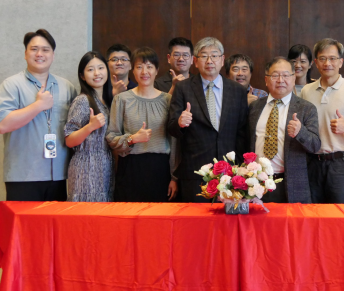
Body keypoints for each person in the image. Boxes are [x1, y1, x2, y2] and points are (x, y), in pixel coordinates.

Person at [0, 29, 76, 201]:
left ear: (53, 55)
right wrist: (38, 106)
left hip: (58, 175)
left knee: (54, 220)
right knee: (24, 220)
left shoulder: (66, 87)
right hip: (23, 176)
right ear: (25, 54)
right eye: (34, 49)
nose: (39, 54)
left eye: (45, 50)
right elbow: (2, 125)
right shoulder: (11, 85)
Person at [167, 37, 249, 202]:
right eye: (204, 56)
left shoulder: (237, 91)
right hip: (194, 172)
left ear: (222, 60)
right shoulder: (183, 88)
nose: (209, 61)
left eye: (214, 56)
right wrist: (180, 123)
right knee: (196, 218)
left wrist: (240, 169)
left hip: (229, 173)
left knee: (226, 218)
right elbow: (171, 128)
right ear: (195, 61)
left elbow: (242, 133)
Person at [106, 47, 178, 202]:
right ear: (133, 70)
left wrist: (174, 177)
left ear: (157, 70)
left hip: (160, 168)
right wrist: (132, 139)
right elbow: (111, 137)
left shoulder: (168, 100)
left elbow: (174, 142)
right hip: (130, 168)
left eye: (149, 67)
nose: (144, 72)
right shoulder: (121, 99)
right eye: (139, 67)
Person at [300, 39, 344, 204]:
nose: (327, 63)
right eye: (322, 59)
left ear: (340, 62)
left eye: (332, 58)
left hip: (340, 164)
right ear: (316, 62)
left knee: (341, 213)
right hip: (311, 162)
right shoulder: (306, 91)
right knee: (312, 213)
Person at [248, 57, 320, 203]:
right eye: (275, 75)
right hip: (256, 183)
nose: (281, 80)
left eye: (286, 75)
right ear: (266, 80)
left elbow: (315, 145)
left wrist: (300, 132)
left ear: (293, 79)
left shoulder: (306, 108)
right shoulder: (255, 107)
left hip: (291, 183)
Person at [64, 52, 114, 202]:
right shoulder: (82, 101)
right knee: (86, 212)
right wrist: (90, 127)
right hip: (86, 166)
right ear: (82, 76)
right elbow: (69, 140)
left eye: (101, 68)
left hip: (105, 165)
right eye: (90, 69)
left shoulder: (107, 101)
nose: (97, 73)